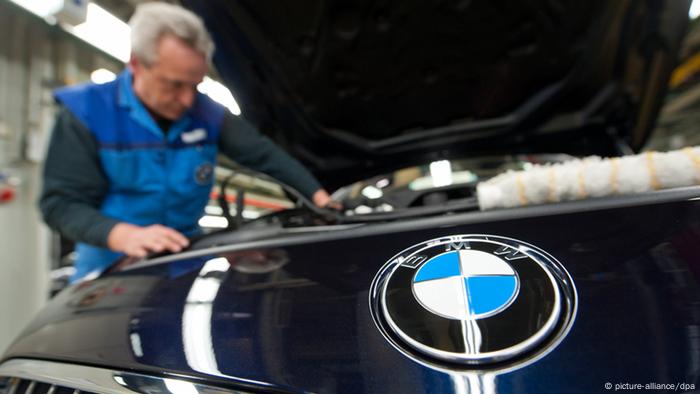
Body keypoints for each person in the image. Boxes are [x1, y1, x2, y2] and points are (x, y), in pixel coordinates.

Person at [39, 2, 334, 282]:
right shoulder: (86, 113)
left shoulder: (208, 115)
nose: (187, 99)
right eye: (175, 84)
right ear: (137, 64)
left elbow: (265, 156)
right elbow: (60, 203)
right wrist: (122, 234)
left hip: (186, 258)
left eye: (196, 84)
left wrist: (320, 198)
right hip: (111, 265)